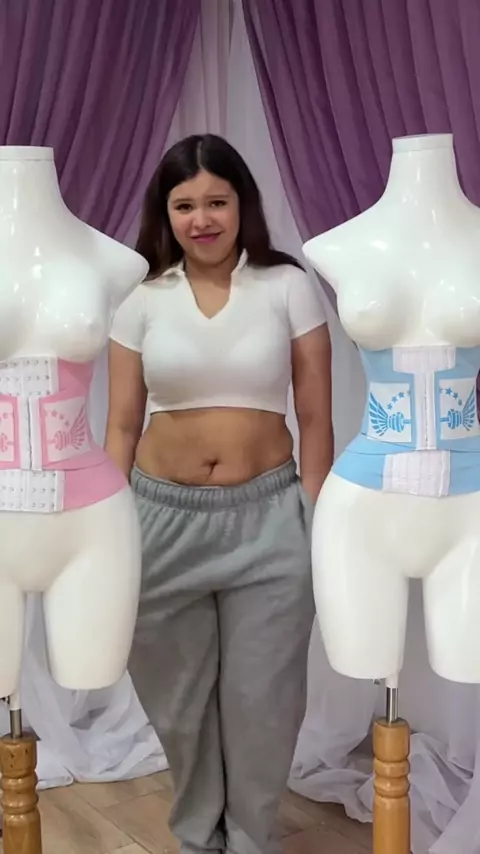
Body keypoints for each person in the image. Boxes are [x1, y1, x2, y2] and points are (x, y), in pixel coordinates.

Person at [105, 134, 333, 854]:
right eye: (185, 205)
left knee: (263, 702)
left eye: (216, 202)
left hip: (268, 520)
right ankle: (199, 837)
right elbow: (121, 424)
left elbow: (317, 417)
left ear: (242, 205)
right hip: (161, 521)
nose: (201, 219)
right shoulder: (141, 299)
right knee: (178, 704)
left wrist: (313, 515)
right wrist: (109, 528)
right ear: (165, 213)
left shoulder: (288, 286)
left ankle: (252, 840)